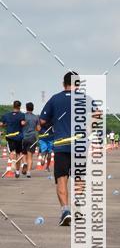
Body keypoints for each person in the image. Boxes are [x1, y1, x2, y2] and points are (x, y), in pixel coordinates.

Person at [39, 72, 78, 225]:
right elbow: (97, 115)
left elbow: (42, 120)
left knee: (62, 179)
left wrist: (53, 121)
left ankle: (66, 211)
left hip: (61, 145)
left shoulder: (55, 99)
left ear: (63, 83)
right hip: (80, 146)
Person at [1, 100, 25, 177]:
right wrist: (25, 123)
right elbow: (22, 123)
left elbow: (1, 124)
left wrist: (6, 125)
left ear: (13, 106)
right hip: (19, 136)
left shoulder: (6, 115)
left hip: (10, 136)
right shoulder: (21, 115)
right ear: (19, 106)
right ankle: (17, 172)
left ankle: (13, 161)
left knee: (12, 152)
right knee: (18, 153)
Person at [21, 102, 39, 177]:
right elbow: (38, 128)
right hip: (32, 138)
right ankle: (28, 172)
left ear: (26, 108)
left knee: (23, 154)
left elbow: (21, 124)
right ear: (33, 108)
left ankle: (24, 163)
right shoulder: (36, 117)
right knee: (30, 156)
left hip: (23, 137)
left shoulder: (23, 116)